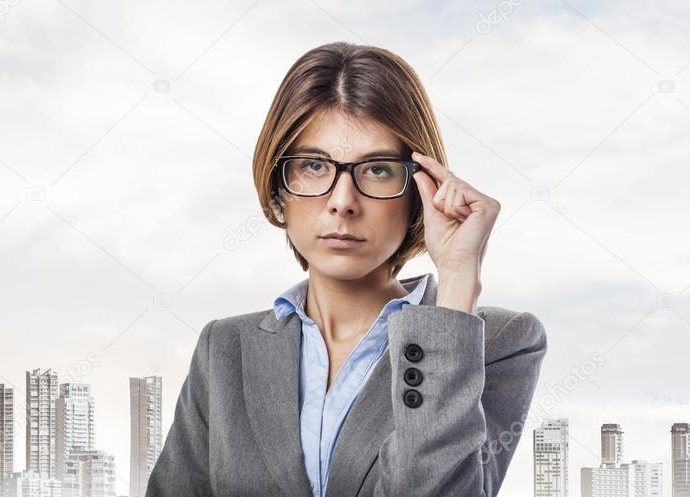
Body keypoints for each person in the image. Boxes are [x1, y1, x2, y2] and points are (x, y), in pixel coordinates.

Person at [145, 41, 547, 497]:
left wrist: (457, 284)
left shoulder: (496, 340)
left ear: (418, 191)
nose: (342, 202)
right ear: (279, 189)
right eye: (314, 166)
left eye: (377, 170)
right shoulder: (225, 348)